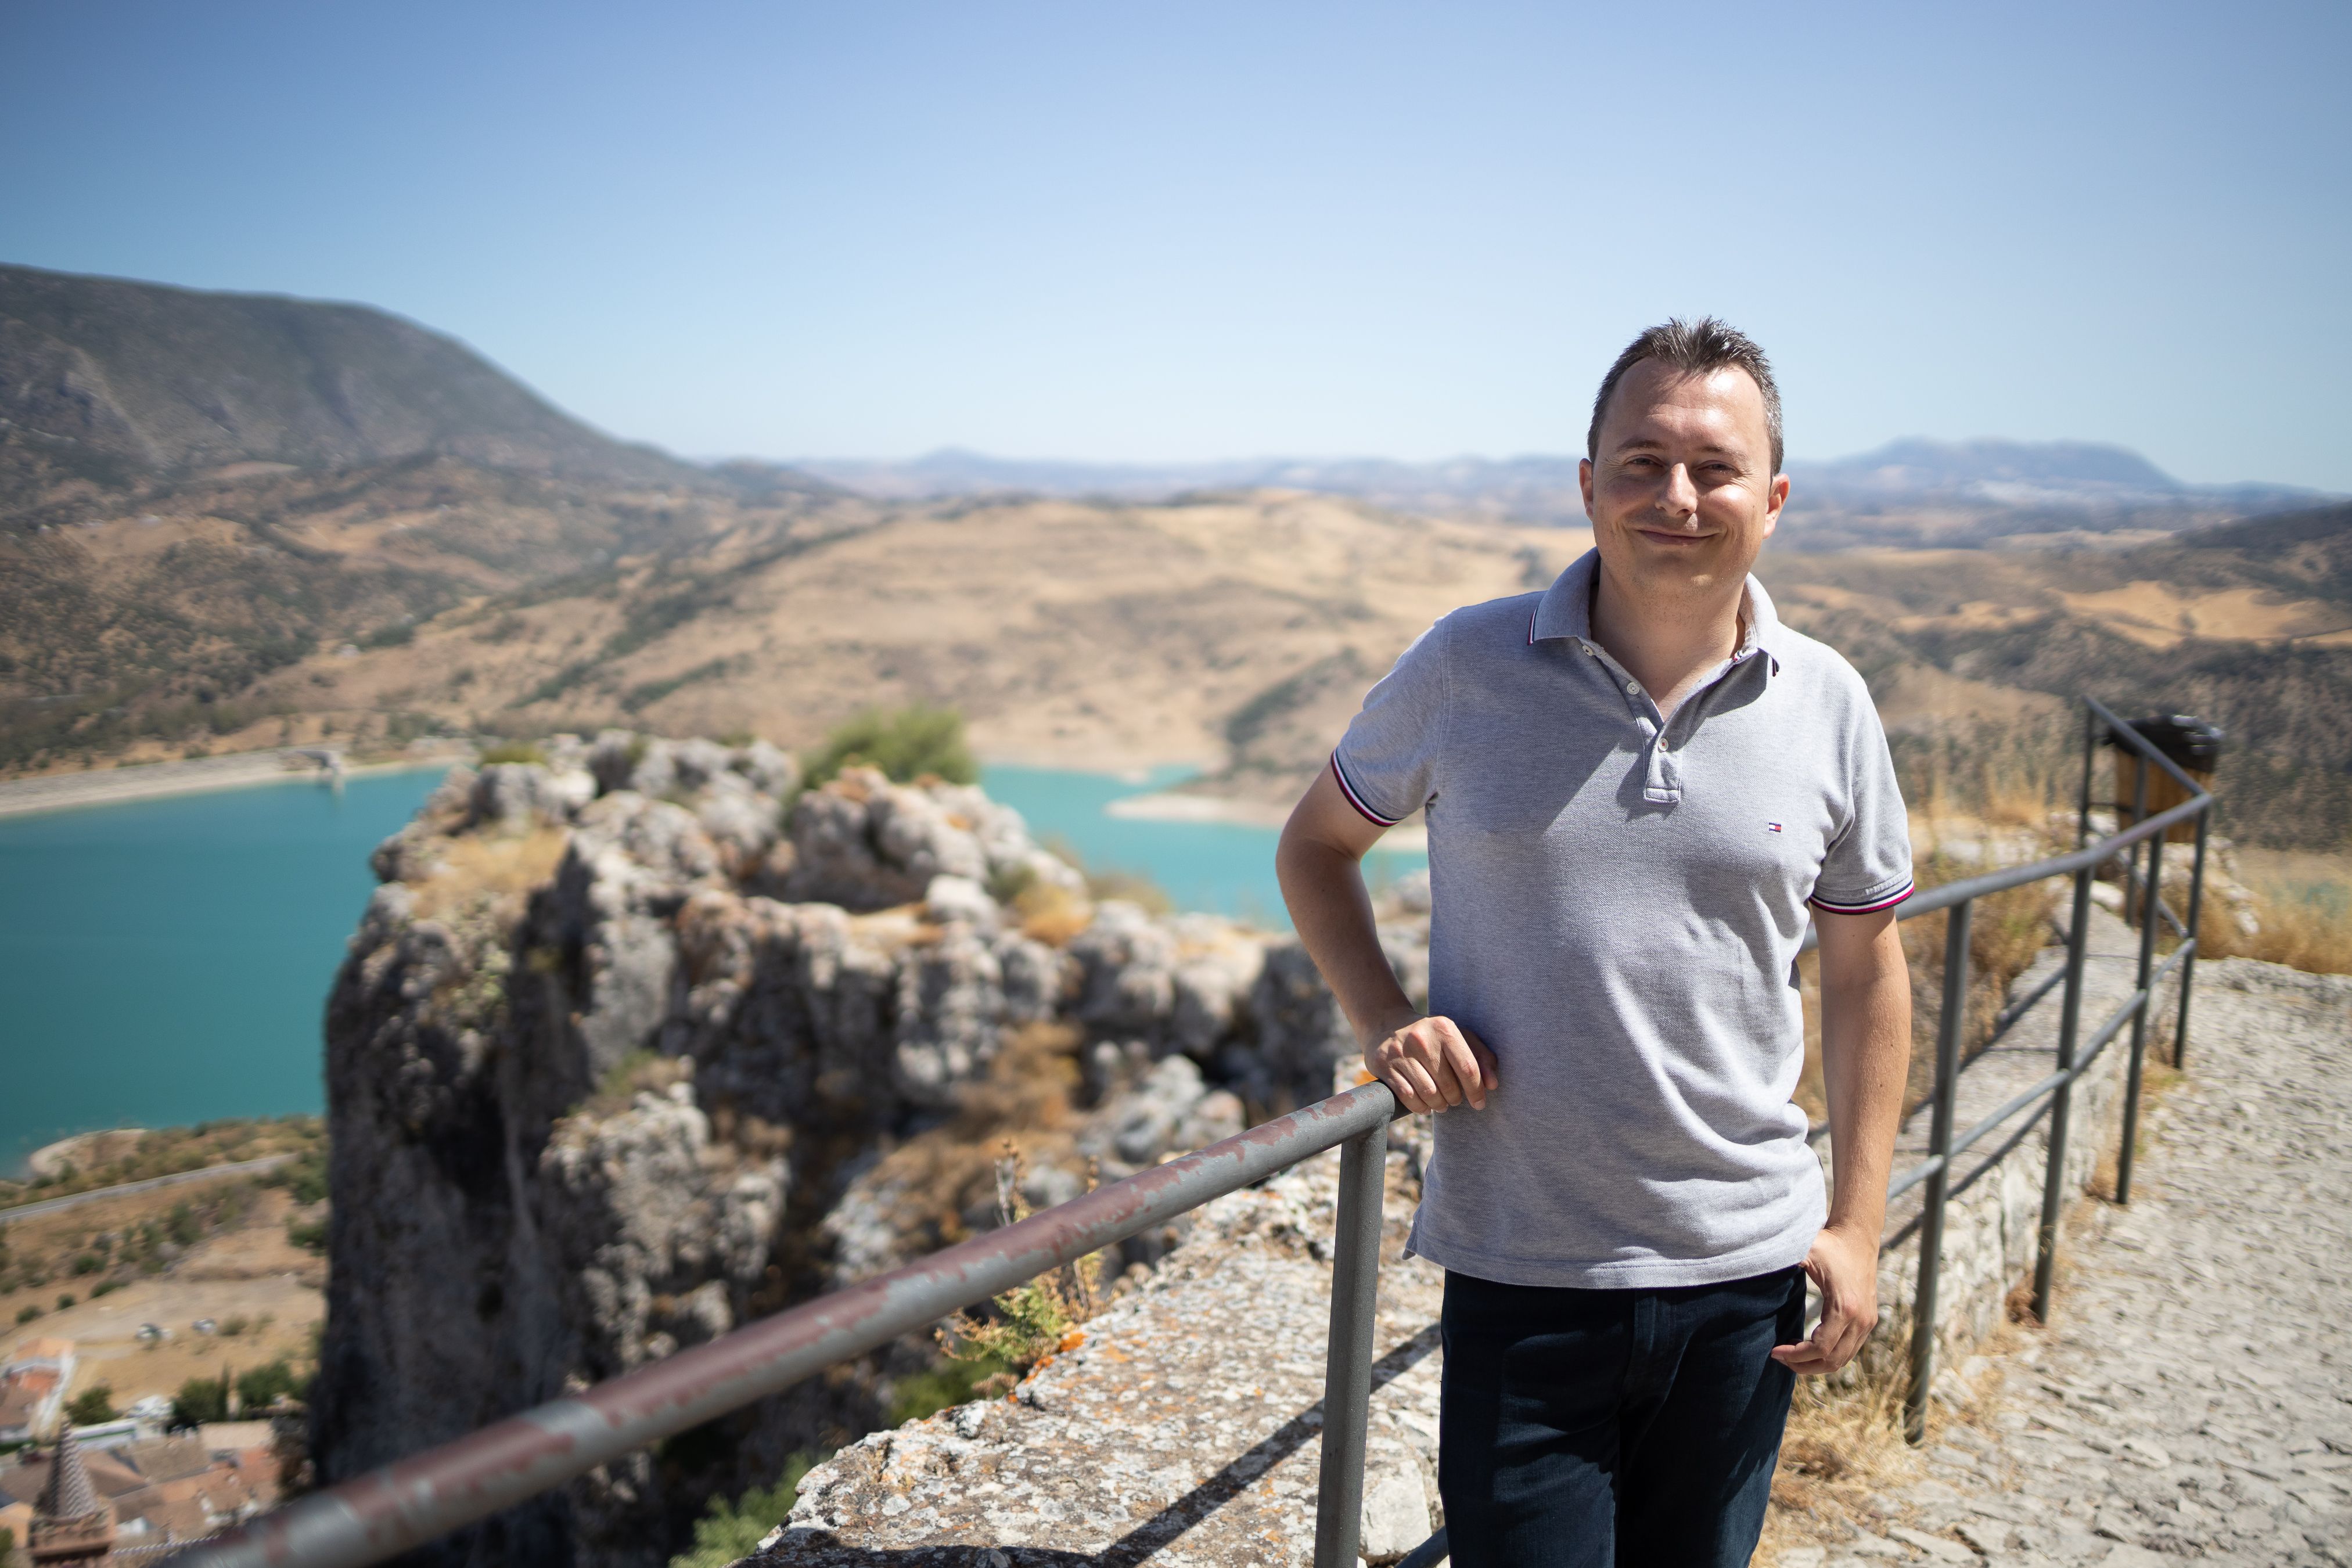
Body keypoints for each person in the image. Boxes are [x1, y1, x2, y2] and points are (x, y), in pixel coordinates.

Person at [1276, 318, 1914, 1567]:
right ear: (1587, 485)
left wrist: (1858, 1224)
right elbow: (1315, 848)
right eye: (1640, 462)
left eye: (1715, 468)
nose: (1676, 497)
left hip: (1749, 1281)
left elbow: (1865, 970)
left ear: (1773, 499)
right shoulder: (1467, 663)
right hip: (1524, 1272)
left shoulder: (1832, 703)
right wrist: (1382, 1017)